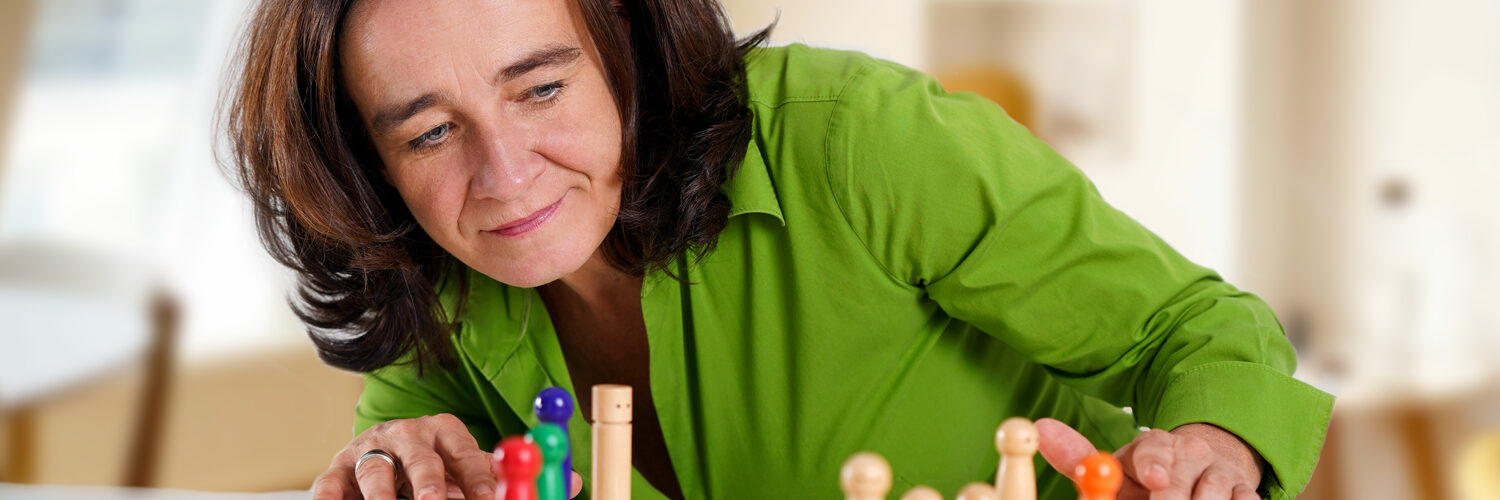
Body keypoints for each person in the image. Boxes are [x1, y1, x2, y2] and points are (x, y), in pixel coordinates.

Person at [222, 0, 1333, 499]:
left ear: (627, 45)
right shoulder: (432, 270)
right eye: (428, 130)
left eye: (543, 86)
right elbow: (406, 441)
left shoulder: (865, 143)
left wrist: (1208, 447)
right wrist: (391, 463)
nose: (505, 173)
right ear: (365, 169)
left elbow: (1195, 330)